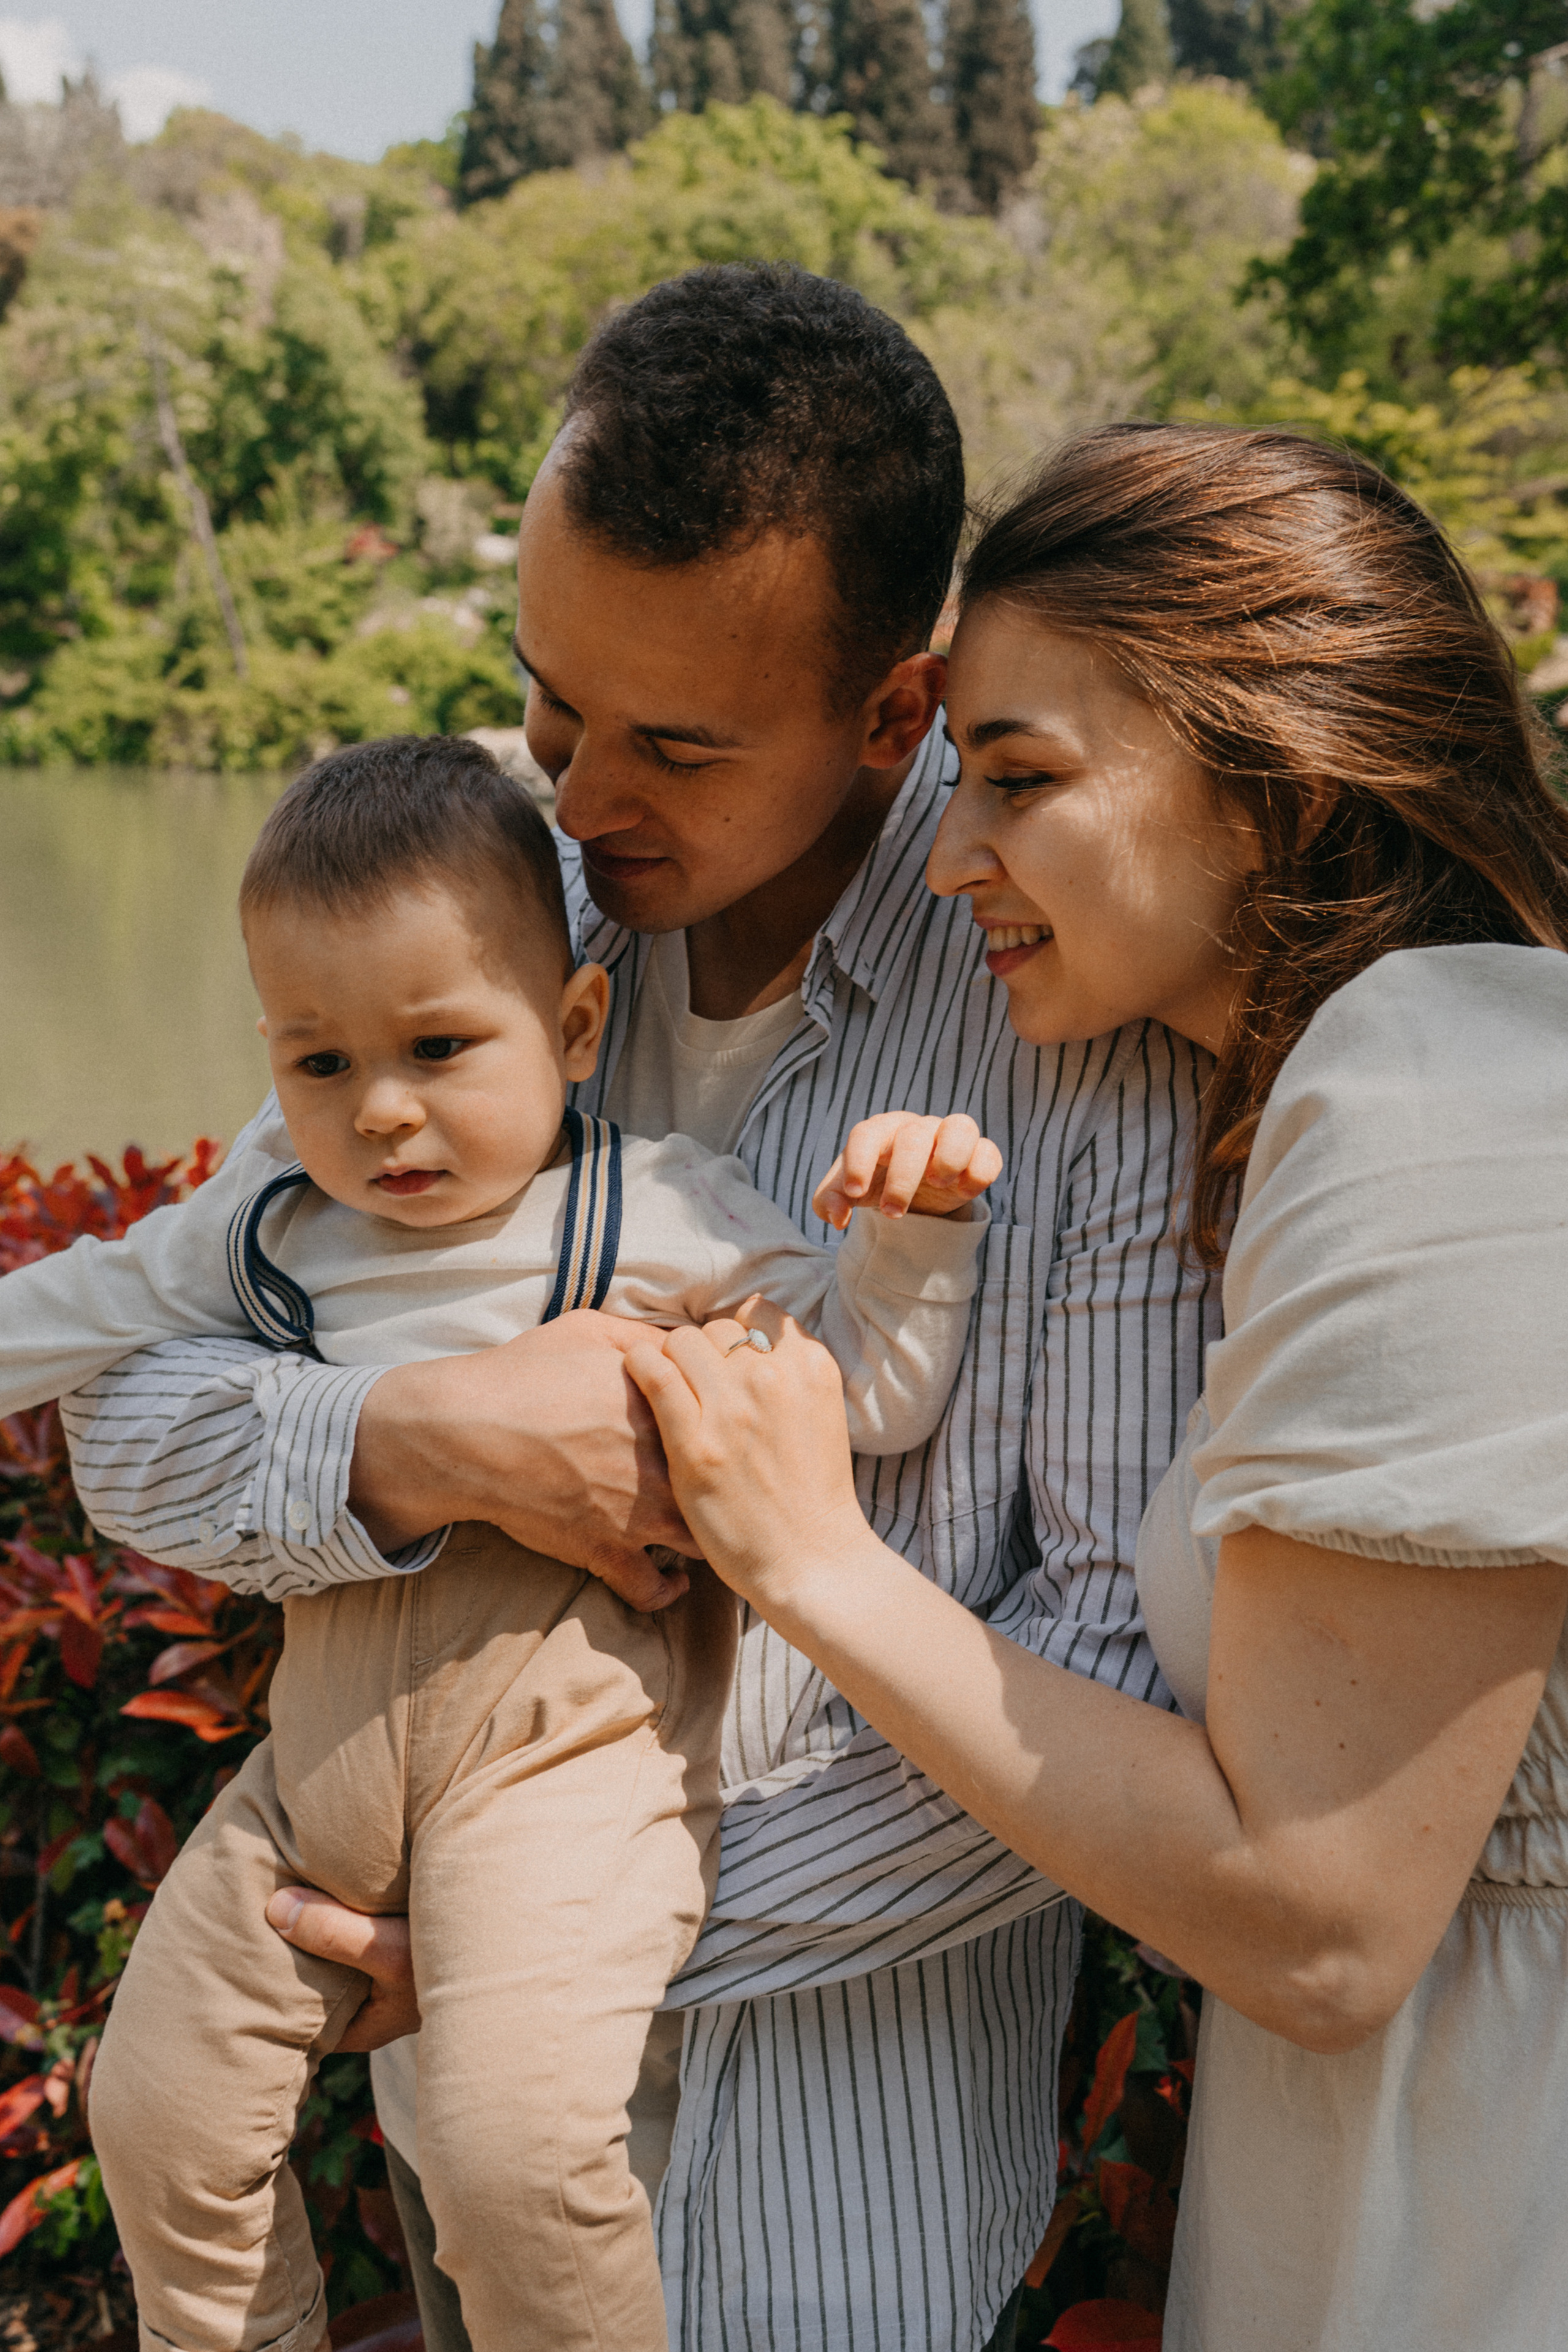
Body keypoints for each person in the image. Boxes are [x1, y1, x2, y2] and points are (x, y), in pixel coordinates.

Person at [57, 271, 1216, 2352]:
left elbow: (1105, 1660)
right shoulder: (482, 921)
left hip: (845, 2156)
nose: (583, 798)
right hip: (450, 2135)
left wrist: (542, 1938)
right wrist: (411, 1442)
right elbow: (133, 1427)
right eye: (549, 701)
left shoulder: (1073, 1029)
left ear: (898, 714)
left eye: (674, 745)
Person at [622, 423, 1568, 2352]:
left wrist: (813, 1558)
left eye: (1023, 778)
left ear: (1278, 787)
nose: (953, 854)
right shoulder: (1350, 1088)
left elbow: (1320, 1920)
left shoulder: (1433, 1097)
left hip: (1480, 2206)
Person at [2, 734, 1002, 2352]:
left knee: (511, 2157)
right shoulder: (267, 1227)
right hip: (312, 1783)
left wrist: (913, 1233)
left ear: (576, 1025)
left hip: (567, 1774)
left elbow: (870, 1395)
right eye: (318, 1064)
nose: (383, 1111)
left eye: (439, 1048)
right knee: (163, 2112)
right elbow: (74, 1318)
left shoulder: (658, 1213)